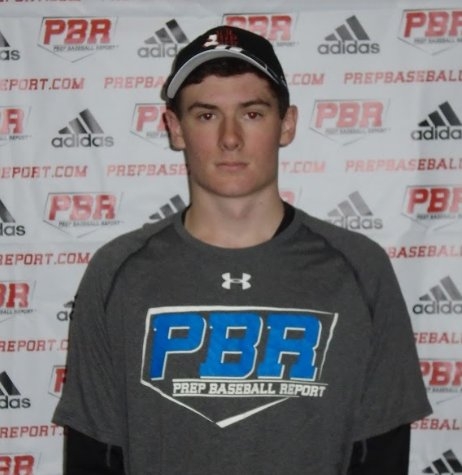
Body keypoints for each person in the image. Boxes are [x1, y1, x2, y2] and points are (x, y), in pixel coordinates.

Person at [53, 25, 431, 475]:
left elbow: (382, 453)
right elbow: (94, 455)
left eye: (251, 113)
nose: (230, 138)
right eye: (206, 115)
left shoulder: (359, 269)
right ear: (175, 128)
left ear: (286, 124)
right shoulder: (118, 272)